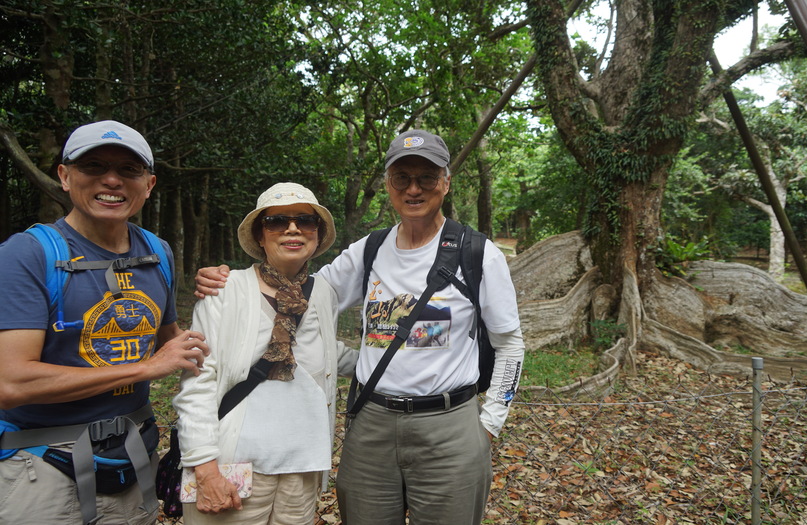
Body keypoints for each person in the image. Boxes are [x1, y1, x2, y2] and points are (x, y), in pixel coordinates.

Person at [195, 130, 525, 524]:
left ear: (446, 181)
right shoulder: (368, 251)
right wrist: (232, 281)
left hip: (449, 424)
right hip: (372, 423)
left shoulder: (477, 253)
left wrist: (489, 424)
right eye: (402, 178)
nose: (414, 188)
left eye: (427, 177)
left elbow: (510, 345)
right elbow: (300, 295)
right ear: (388, 184)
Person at [0, 120, 209, 525]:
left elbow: (173, 342)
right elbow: (11, 383)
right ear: (65, 176)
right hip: (43, 464)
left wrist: (230, 290)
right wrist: (148, 367)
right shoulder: (26, 255)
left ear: (148, 184)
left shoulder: (157, 252)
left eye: (128, 170)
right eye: (93, 166)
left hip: (134, 457)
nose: (111, 180)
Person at [173, 182, 358, 525]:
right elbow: (198, 382)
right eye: (277, 221)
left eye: (305, 220)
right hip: (233, 464)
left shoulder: (323, 294)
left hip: (302, 467)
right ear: (260, 235)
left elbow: (324, 353)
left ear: (317, 234)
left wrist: (390, 365)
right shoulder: (224, 292)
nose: (292, 229)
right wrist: (205, 467)